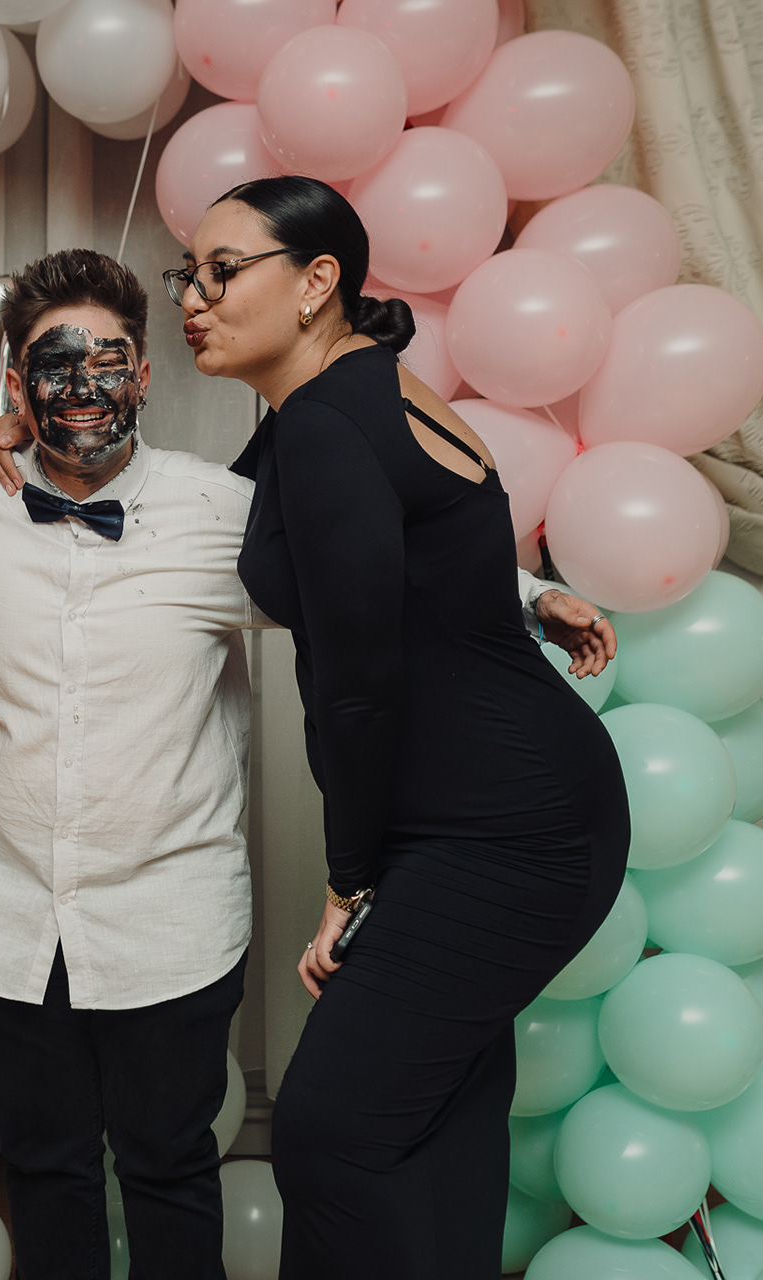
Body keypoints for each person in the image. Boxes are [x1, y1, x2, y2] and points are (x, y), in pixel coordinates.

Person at [175, 174, 630, 1277]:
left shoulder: (327, 422)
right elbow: (422, 554)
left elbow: (359, 681)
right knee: (439, 1122)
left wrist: (349, 880)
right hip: (519, 809)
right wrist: (532, 594)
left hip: (504, 832)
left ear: (316, 282)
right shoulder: (358, 392)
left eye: (222, 272)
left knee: (332, 1131)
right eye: (185, 275)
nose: (192, 298)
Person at [0, 248, 261, 1280]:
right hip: (0, 914)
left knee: (170, 1165)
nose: (81, 387)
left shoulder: (224, 511)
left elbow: (382, 569)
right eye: (53, 366)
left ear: (146, 374)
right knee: (45, 1166)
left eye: (107, 362)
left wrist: (528, 598)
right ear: (17, 389)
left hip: (168, 916)